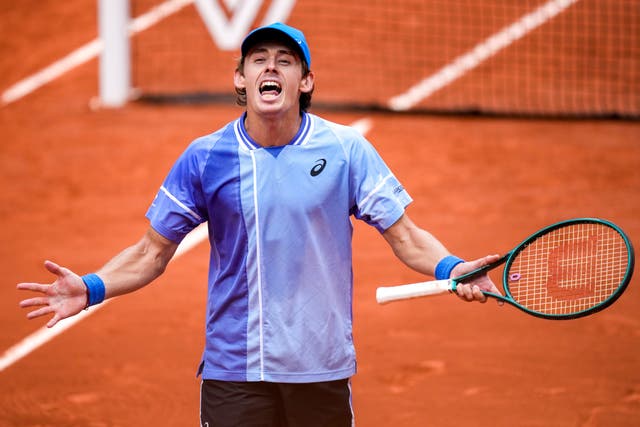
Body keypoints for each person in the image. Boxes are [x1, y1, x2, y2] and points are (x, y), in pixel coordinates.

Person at [18, 22, 501, 427]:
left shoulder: (347, 150)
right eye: (258, 59)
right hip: (235, 373)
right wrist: (92, 287)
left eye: (285, 60)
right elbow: (152, 252)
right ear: (241, 80)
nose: (270, 66)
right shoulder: (205, 158)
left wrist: (452, 268)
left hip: (320, 367)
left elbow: (407, 235)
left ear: (305, 82)